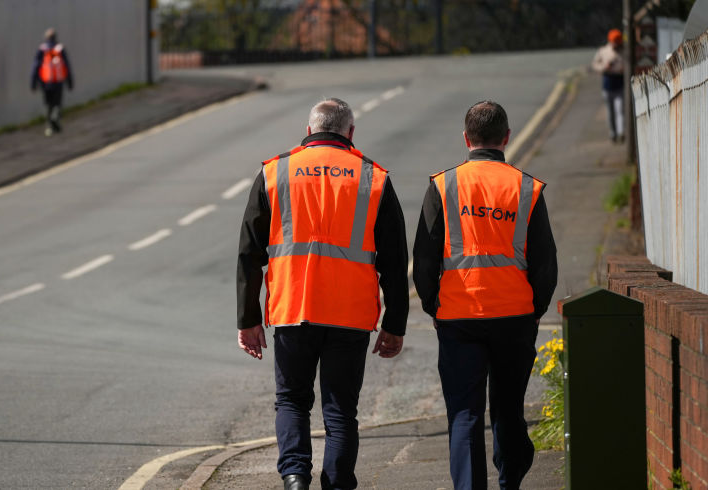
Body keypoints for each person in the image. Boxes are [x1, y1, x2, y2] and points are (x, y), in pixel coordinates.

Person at [237, 98, 409, 490]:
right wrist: (394, 324)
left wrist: (247, 319)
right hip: (350, 314)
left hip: (293, 307)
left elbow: (249, 253)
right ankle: (337, 482)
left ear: (310, 129)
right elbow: (396, 261)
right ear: (350, 133)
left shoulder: (275, 172)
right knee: (340, 411)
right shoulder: (373, 177)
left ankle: (295, 477)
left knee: (292, 400)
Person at [412, 101, 557, 490]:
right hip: (514, 316)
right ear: (506, 138)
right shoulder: (526, 187)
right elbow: (545, 263)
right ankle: (510, 480)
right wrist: (534, 308)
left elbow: (424, 261)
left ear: (466, 138)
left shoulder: (443, 186)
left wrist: (434, 305)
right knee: (509, 408)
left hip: (459, 316)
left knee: (465, 413)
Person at [31, 28, 73, 136]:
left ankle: (49, 126)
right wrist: (69, 81)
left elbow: (36, 67)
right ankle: (55, 119)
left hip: (46, 82)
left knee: (48, 104)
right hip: (58, 82)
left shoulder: (42, 49)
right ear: (55, 37)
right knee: (57, 104)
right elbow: (66, 66)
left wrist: (33, 83)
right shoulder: (59, 49)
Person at [591, 28, 626, 143]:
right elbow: (595, 65)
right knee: (610, 112)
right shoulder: (603, 51)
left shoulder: (624, 52)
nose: (616, 44)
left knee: (620, 110)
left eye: (618, 41)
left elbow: (628, 65)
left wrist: (623, 69)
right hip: (607, 84)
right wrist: (604, 68)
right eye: (614, 41)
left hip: (620, 84)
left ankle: (621, 133)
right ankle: (613, 133)